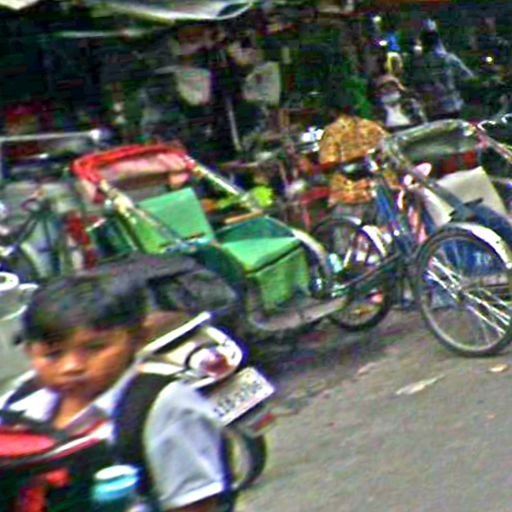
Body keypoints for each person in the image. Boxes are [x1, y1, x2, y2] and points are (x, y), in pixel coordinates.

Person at [0, 273, 228, 512]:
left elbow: (195, 503)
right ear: (29, 352)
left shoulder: (160, 405)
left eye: (95, 348)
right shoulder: (21, 403)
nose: (72, 367)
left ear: (138, 337)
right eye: (53, 355)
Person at [408, 25, 476, 120]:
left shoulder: (418, 62)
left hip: (431, 108)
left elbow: (414, 84)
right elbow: (468, 77)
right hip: (452, 104)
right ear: (438, 42)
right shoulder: (449, 58)